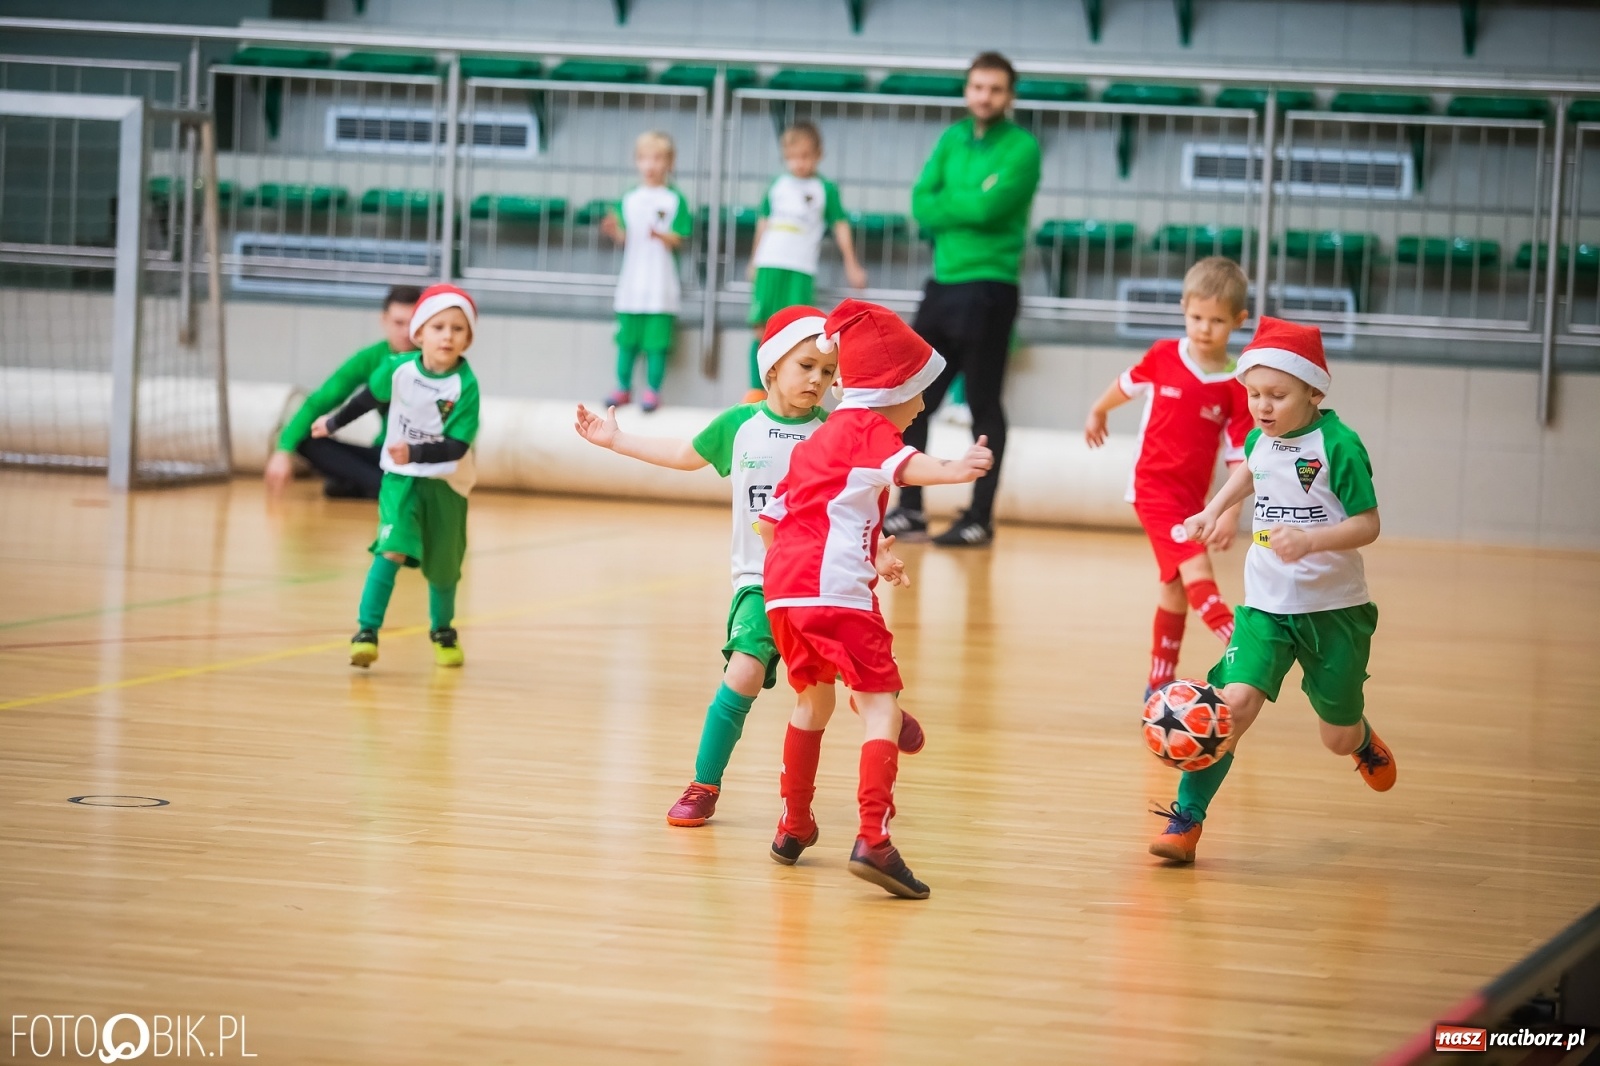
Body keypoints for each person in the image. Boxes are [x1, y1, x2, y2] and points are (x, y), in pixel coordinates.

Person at [757, 299, 993, 899]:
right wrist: (958, 468)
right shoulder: (871, 429)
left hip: (785, 591)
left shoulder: (819, 439)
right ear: (893, 386)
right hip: (835, 590)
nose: (923, 405)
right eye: (921, 392)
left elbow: (780, 517)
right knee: (881, 704)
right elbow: (910, 469)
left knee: (813, 703)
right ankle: (873, 838)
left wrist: (871, 551)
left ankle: (794, 824)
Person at [1152, 316, 1395, 865]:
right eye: (1255, 393)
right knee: (1229, 708)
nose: (1262, 406)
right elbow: (1250, 472)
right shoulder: (1262, 436)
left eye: (1277, 395)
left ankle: (1358, 740)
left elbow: (1369, 524)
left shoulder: (1340, 445)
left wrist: (1310, 542)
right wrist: (1213, 510)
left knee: (1335, 736)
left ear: (1313, 390)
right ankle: (1185, 822)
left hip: (1334, 611)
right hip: (1264, 608)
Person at [884, 51, 1041, 548]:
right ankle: (910, 510)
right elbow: (920, 201)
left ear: (1009, 95)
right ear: (968, 90)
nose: (984, 96)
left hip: (990, 286)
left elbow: (990, 207)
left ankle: (978, 518)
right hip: (943, 283)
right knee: (915, 398)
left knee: (982, 403)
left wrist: (951, 203)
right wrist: (963, 203)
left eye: (994, 89)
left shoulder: (1023, 149)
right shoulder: (952, 138)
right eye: (977, 87)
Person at [1083, 257, 1255, 698]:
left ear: (1239, 320)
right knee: (1197, 568)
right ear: (1183, 308)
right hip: (1153, 489)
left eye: (1217, 321)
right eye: (1196, 317)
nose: (1203, 328)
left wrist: (1230, 513)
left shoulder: (1237, 384)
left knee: (1175, 585)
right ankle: (1248, 651)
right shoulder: (1163, 356)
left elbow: (1241, 457)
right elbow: (1125, 384)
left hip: (1194, 499)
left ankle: (1159, 680)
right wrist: (1099, 410)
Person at [312, 284, 482, 670]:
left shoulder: (465, 387)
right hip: (401, 478)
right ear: (419, 333)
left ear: (467, 339)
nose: (447, 336)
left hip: (447, 483)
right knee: (390, 547)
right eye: (438, 327)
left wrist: (415, 452)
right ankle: (366, 631)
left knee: (443, 566)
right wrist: (333, 422)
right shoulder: (398, 369)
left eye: (458, 329)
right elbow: (366, 398)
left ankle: (443, 630)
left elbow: (455, 447)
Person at [744, 121, 868, 403]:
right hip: (769, 264)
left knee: (793, 332)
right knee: (759, 326)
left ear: (818, 154)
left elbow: (840, 226)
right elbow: (764, 223)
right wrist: (754, 258)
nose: (798, 163)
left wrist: (852, 264)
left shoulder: (825, 188)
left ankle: (787, 392)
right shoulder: (777, 186)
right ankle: (756, 389)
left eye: (804, 156)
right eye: (791, 157)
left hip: (800, 268)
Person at [264, 285, 423, 499]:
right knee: (307, 437)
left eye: (413, 323)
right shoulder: (372, 359)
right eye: (398, 323)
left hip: (424, 457)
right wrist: (283, 449)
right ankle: (375, 485)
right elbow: (322, 400)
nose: (406, 332)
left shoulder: (436, 363)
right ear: (384, 320)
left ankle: (363, 485)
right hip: (385, 455)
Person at [600, 130, 693, 413]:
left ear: (669, 162)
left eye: (657, 158)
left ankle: (653, 391)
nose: (650, 165)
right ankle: (623, 388)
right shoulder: (629, 197)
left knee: (656, 343)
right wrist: (613, 230)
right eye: (644, 158)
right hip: (632, 282)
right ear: (637, 161)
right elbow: (624, 236)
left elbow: (680, 237)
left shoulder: (675, 199)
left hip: (661, 284)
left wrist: (664, 236)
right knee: (626, 340)